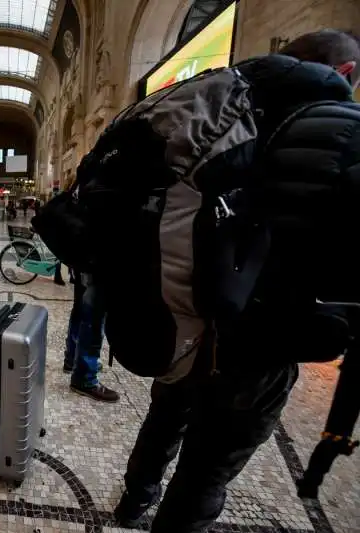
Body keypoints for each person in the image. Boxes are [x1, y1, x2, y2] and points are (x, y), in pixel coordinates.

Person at [114, 30, 360, 533]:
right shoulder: (348, 132)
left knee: (164, 421)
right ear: (347, 75)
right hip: (261, 343)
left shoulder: (218, 121)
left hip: (187, 318)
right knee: (206, 472)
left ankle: (133, 500)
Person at [62, 268, 120, 402]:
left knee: (81, 306)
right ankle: (85, 377)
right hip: (100, 262)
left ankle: (73, 360)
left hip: (83, 258)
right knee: (94, 313)